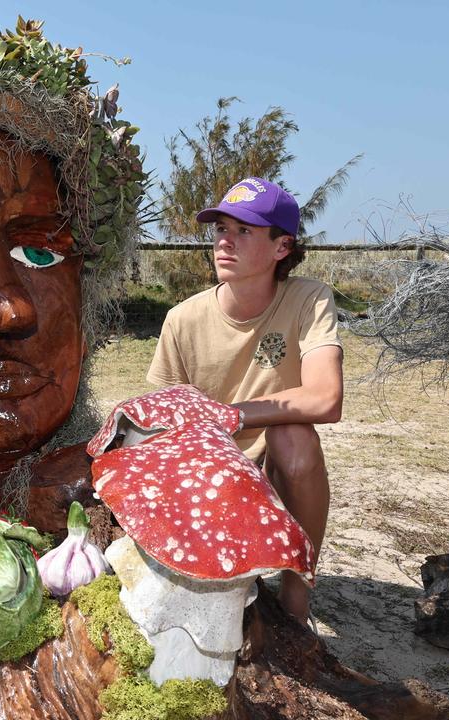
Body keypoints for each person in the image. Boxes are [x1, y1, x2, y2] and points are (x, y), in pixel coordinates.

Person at [146, 177, 343, 621]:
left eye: (244, 231)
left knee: (295, 438)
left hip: (272, 473)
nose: (224, 242)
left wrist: (229, 415)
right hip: (207, 477)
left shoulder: (309, 300)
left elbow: (327, 398)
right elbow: (163, 421)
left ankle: (296, 595)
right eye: (220, 229)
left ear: (281, 247)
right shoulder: (182, 319)